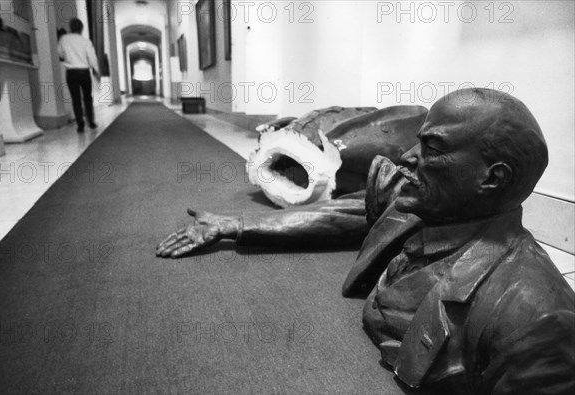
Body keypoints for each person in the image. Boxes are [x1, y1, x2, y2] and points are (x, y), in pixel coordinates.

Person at [156, 88, 574, 394]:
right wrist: (234, 224)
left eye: (432, 147)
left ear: (492, 178)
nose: (407, 157)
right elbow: (343, 214)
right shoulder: (434, 204)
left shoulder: (536, 318)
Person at [57, 18, 100, 133]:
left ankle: (80, 125)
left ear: (70, 27)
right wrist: (96, 70)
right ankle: (91, 122)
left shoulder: (64, 39)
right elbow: (92, 57)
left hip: (71, 72)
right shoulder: (85, 41)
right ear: (82, 28)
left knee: (75, 99)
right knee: (87, 98)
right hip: (84, 71)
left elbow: (60, 53)